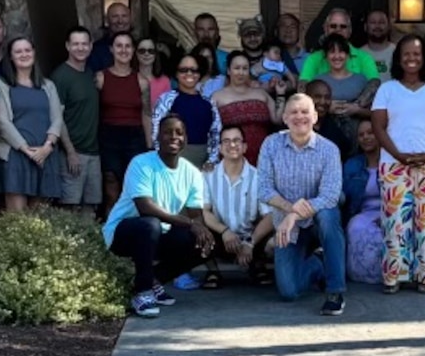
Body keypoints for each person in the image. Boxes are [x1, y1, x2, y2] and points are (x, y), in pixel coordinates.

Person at [103, 115, 214, 318]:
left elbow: (196, 216)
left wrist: (203, 232)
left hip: (157, 233)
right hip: (123, 232)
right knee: (150, 225)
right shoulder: (141, 163)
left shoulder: (192, 173)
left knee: (203, 240)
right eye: (167, 132)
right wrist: (191, 223)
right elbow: (145, 207)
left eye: (179, 133)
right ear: (158, 137)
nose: (174, 137)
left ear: (186, 140)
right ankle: (142, 292)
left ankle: (153, 281)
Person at [371, 35, 425, 295]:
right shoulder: (387, 89)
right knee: (396, 221)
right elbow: (378, 126)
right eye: (406, 54)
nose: (411, 59)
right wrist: (399, 155)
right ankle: (394, 276)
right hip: (394, 165)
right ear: (398, 59)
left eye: (417, 54)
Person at [257, 93, 346, 316]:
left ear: (315, 117)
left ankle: (335, 291)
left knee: (328, 215)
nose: (300, 117)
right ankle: (316, 264)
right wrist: (290, 211)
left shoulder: (329, 150)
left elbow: (330, 195)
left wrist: (293, 215)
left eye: (305, 111)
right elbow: (264, 189)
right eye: (294, 112)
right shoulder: (271, 144)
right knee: (289, 291)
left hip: (316, 221)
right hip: (288, 227)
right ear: (285, 118)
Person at [0, 37, 65, 210]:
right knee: (17, 218)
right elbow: (2, 121)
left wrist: (47, 147)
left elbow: (57, 119)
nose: (24, 54)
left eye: (27, 50)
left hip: (45, 155)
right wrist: (26, 150)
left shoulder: (48, 85)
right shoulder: (1, 84)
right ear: (10, 57)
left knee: (39, 219)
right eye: (18, 51)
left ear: (34, 53)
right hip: (16, 155)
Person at [201, 125, 276, 287]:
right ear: (220, 148)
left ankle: (257, 266)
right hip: (222, 237)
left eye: (236, 141)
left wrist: (250, 242)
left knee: (273, 235)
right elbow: (204, 211)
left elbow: (270, 216)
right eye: (226, 141)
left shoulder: (258, 176)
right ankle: (213, 271)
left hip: (250, 238)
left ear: (244, 147)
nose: (232, 145)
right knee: (198, 230)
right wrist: (225, 231)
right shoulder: (208, 175)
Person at [96, 32, 154, 211]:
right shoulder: (100, 78)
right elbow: (95, 111)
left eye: (127, 46)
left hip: (134, 137)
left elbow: (146, 114)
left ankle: (132, 229)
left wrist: (150, 145)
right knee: (111, 183)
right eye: (119, 46)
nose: (123, 50)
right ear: (111, 50)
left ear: (133, 50)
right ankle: (110, 229)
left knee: (134, 186)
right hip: (109, 134)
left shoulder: (142, 81)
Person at [52, 27, 102, 215]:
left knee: (91, 206)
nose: (80, 48)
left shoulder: (90, 74)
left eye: (84, 44)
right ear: (68, 46)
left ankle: (88, 244)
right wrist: (70, 152)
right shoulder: (61, 76)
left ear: (90, 47)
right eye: (75, 44)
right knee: (69, 207)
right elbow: (57, 118)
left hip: (94, 152)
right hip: (72, 153)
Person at [211, 51, 286, 166]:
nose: (241, 72)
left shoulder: (261, 94)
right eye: (237, 68)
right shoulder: (217, 97)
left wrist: (281, 94)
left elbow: (277, 119)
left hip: (263, 157)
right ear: (228, 71)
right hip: (232, 158)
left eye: (245, 68)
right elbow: (212, 133)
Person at [153, 54, 222, 169]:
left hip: (203, 161)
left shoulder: (208, 102)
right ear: (176, 73)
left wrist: (212, 160)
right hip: (172, 159)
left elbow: (215, 132)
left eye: (194, 70)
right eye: (183, 70)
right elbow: (156, 131)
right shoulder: (166, 99)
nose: (189, 74)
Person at [342, 119, 385, 284]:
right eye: (361, 135)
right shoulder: (352, 165)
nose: (366, 137)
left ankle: (388, 275)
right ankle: (360, 275)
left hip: (390, 211)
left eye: (370, 133)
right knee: (356, 227)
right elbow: (345, 196)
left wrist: (389, 215)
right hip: (362, 212)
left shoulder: (392, 162)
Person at [298, 9, 381, 86]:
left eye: (343, 26)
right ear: (325, 29)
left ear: (350, 31)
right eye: (333, 26)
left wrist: (357, 102)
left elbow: (374, 85)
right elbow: (303, 87)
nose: (338, 30)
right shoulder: (313, 59)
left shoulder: (364, 58)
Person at [316, 35, 372, 148]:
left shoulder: (360, 79)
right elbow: (307, 111)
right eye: (332, 52)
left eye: (341, 52)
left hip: (359, 142)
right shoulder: (318, 81)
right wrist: (327, 108)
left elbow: (374, 113)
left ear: (347, 55)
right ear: (326, 56)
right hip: (326, 141)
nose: (337, 56)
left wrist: (357, 110)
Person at [304, 80, 354, 160]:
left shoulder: (334, 129)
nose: (323, 102)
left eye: (327, 98)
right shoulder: (293, 126)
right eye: (317, 97)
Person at [90, 2, 133, 72]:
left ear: (130, 18)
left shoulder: (140, 48)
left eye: (124, 16)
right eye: (115, 16)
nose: (120, 21)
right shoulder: (96, 50)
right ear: (107, 20)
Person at [137, 37, 172, 107]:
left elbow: (166, 110)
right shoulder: (129, 78)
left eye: (151, 51)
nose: (146, 54)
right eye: (142, 51)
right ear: (135, 53)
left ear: (156, 54)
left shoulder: (164, 81)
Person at [363, 10, 396, 82]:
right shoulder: (358, 55)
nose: (377, 26)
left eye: (382, 22)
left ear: (389, 26)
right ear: (365, 27)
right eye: (373, 22)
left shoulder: (397, 52)